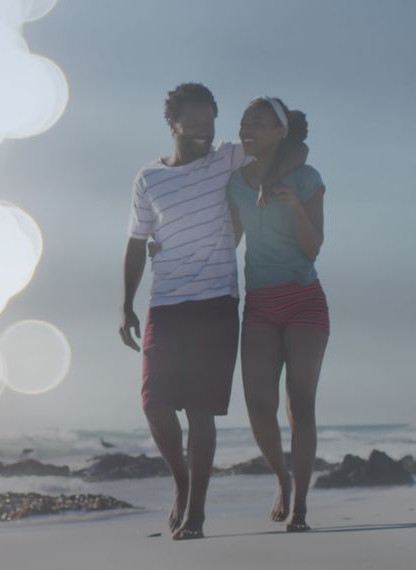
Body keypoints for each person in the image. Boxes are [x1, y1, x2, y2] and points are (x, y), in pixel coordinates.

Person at [119, 83, 305, 540]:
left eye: (210, 122)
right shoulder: (148, 178)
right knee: (155, 406)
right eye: (194, 123)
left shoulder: (226, 157)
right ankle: (181, 484)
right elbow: (136, 243)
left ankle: (196, 516)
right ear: (172, 123)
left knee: (201, 412)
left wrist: (276, 180)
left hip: (217, 301)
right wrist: (125, 304)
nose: (204, 131)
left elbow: (294, 147)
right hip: (165, 303)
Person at [226, 97, 327, 532]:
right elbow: (228, 241)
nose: (249, 129)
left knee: (300, 405)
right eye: (246, 122)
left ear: (280, 132)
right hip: (260, 304)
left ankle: (300, 505)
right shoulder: (234, 183)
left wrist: (294, 206)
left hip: (303, 297)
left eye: (260, 123)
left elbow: (312, 247)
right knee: (257, 405)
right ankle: (281, 479)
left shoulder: (306, 178)